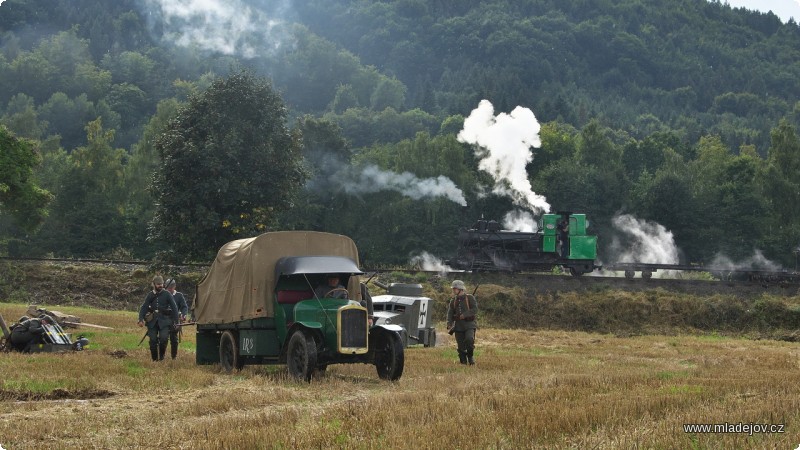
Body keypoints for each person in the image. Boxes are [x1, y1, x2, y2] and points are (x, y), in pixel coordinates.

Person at [138, 275, 179, 361]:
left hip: (164, 321)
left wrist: (176, 322)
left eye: (161, 284)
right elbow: (144, 307)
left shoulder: (167, 294)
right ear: (154, 284)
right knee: (153, 341)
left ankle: (161, 358)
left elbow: (174, 308)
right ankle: (154, 359)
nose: (160, 285)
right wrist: (140, 319)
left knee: (163, 339)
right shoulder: (150, 295)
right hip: (152, 321)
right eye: (158, 284)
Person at [446, 280, 478, 365]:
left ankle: (470, 356)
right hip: (458, 326)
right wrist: (449, 323)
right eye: (453, 288)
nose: (453, 290)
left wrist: (465, 314)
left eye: (455, 288)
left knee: (469, 340)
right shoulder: (453, 300)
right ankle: (463, 361)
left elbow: (475, 309)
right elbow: (450, 312)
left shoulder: (470, 298)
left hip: (469, 324)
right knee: (460, 346)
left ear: (460, 289)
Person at [165, 278, 189, 360]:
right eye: (168, 287)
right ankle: (161, 356)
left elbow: (184, 307)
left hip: (174, 320)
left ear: (174, 286)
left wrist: (183, 314)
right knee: (163, 339)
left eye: (171, 287)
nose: (170, 289)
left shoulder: (179, 295)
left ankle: (174, 357)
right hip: (163, 320)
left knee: (174, 340)